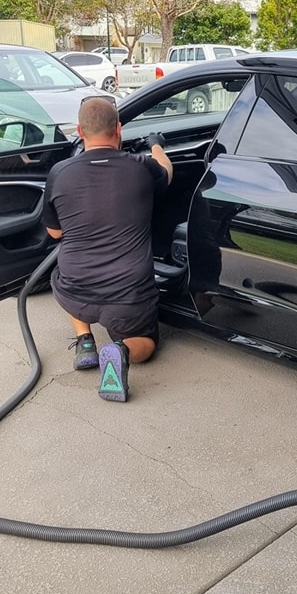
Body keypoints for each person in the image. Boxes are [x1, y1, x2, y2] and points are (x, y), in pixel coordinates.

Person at [43, 96, 173, 402]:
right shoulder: (141, 167)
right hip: (128, 294)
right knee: (147, 345)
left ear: (79, 130)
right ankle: (120, 349)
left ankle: (85, 340)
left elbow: (54, 232)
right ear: (119, 129)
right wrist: (156, 145)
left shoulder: (60, 173)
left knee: (61, 270)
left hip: (75, 287)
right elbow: (167, 171)